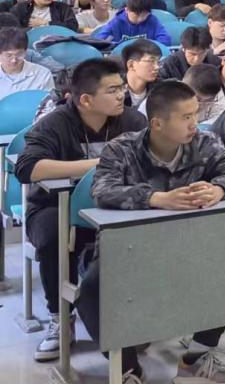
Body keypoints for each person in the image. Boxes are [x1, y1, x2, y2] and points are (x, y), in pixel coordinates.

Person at [80, 79, 225, 384]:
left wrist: (219, 189)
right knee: (92, 289)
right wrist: (157, 199)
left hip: (190, 244)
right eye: (186, 117)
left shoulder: (204, 143)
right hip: (129, 248)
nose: (194, 124)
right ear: (157, 123)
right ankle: (127, 368)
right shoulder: (122, 149)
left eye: (195, 114)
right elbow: (102, 191)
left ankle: (195, 359)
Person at [15, 59, 148, 362]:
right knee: (53, 239)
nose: (121, 95)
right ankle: (60, 317)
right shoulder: (55, 123)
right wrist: (97, 165)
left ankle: (131, 316)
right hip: (53, 205)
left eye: (122, 88)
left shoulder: (132, 121)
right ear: (86, 100)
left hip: (114, 203)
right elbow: (27, 167)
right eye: (112, 90)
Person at [92, 0, 172, 46]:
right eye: (136, 15)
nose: (140, 19)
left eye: (144, 15)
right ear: (127, 10)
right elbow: (98, 40)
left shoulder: (152, 20)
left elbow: (166, 40)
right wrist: (116, 45)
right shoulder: (117, 21)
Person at [0, 25, 54, 99]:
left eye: (19, 54)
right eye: (8, 55)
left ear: (26, 52)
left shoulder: (42, 74)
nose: (14, 60)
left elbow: (48, 104)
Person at [120, 38, 162, 114]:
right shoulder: (116, 91)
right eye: (151, 61)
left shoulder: (160, 89)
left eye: (158, 62)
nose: (157, 67)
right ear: (131, 65)